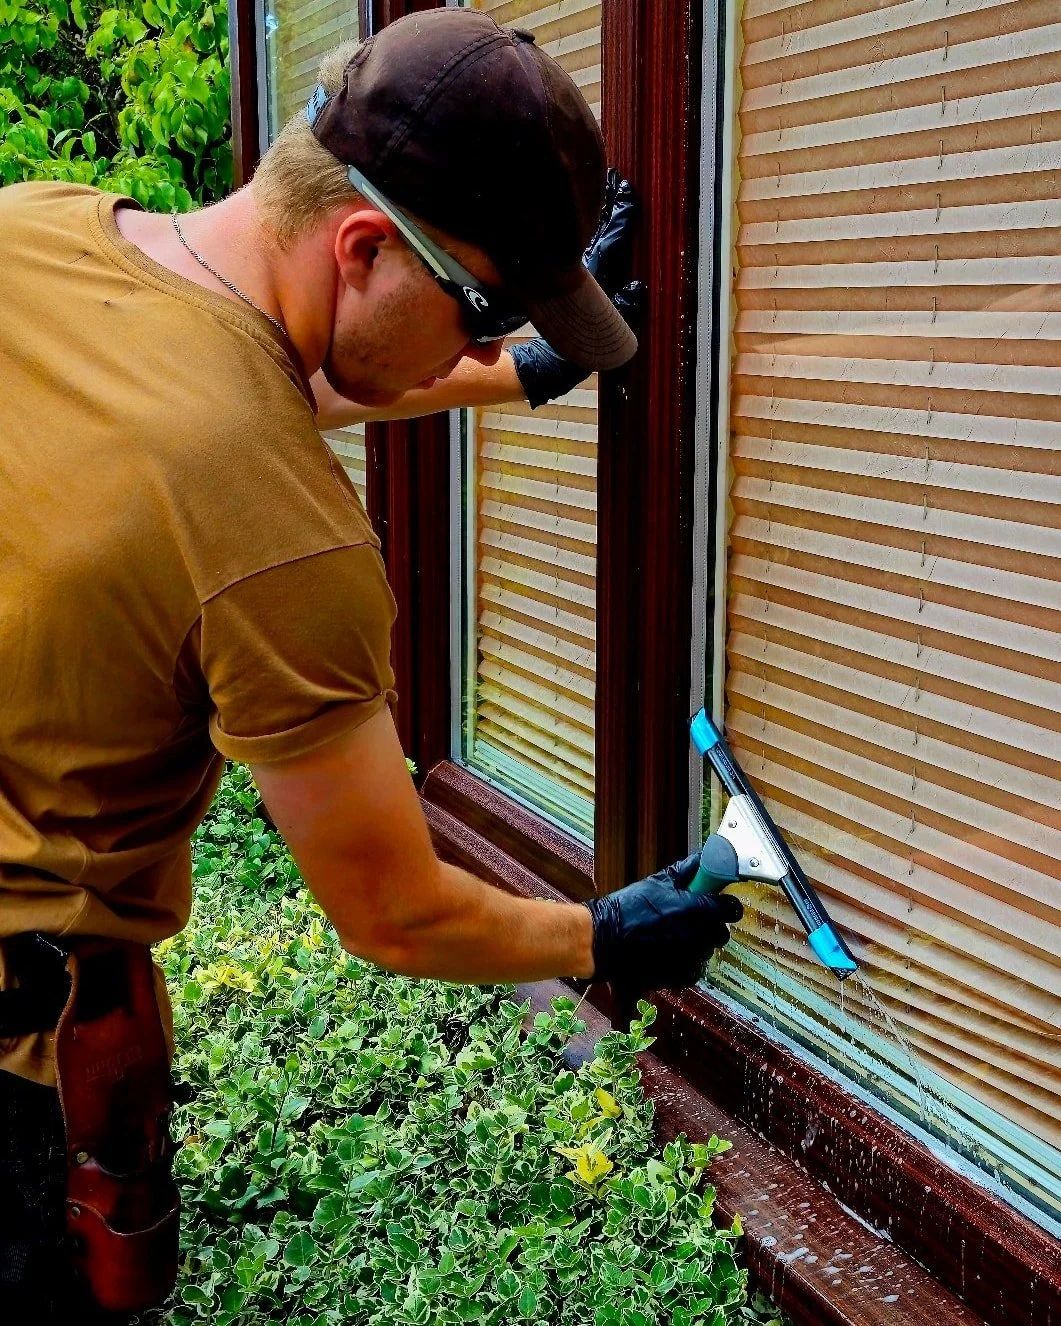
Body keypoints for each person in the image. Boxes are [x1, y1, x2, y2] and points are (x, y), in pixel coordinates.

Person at [0, 10, 742, 1322]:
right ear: (360, 246)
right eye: (482, 305)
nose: (474, 341)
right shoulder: (280, 540)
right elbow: (392, 912)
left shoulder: (45, 230)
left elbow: (245, 384)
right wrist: (607, 929)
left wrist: (513, 369)